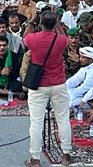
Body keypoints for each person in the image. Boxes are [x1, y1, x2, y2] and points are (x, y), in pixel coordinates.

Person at [23, 11, 72, 166]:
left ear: (40, 23)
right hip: (58, 83)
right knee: (63, 119)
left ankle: (35, 158)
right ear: (55, 23)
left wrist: (33, 20)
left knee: (36, 122)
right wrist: (57, 23)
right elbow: (64, 37)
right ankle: (66, 154)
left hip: (39, 85)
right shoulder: (60, 39)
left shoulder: (33, 38)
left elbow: (24, 37)